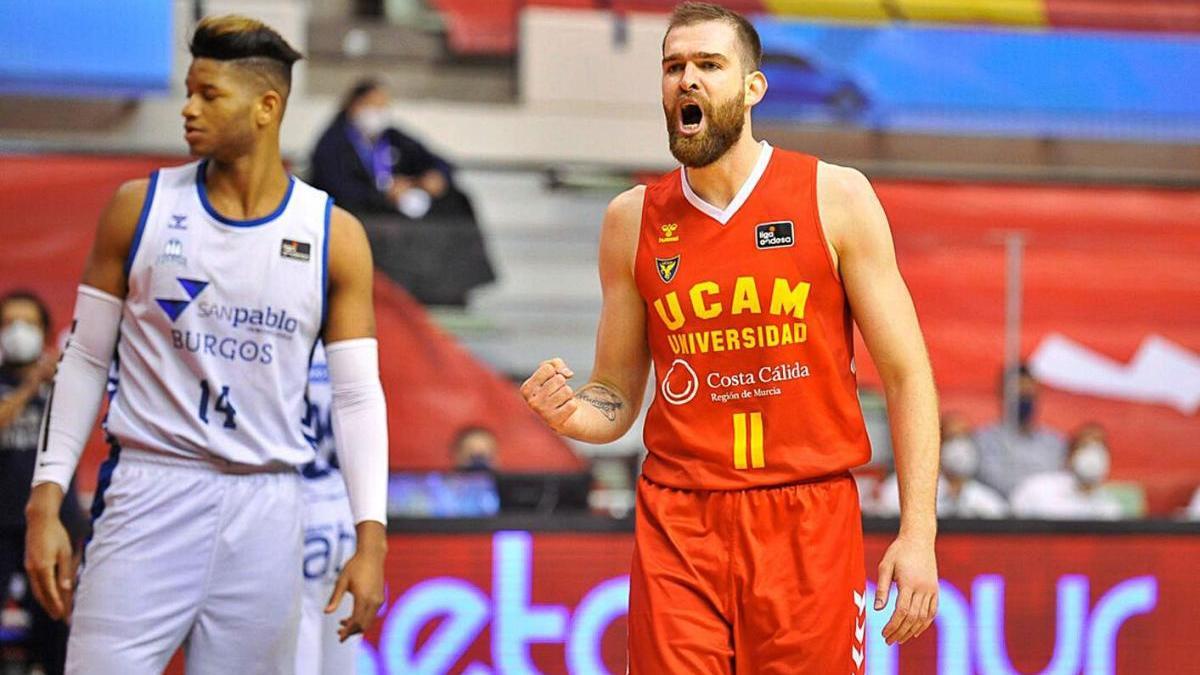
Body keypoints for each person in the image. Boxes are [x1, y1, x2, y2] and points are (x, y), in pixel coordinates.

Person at [521, 4, 939, 671]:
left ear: (753, 87)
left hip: (807, 511)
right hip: (680, 518)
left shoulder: (835, 196)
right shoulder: (631, 220)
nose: (687, 80)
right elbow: (615, 393)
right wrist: (575, 411)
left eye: (709, 65)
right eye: (673, 67)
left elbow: (909, 374)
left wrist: (919, 531)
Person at [23, 16, 389, 674]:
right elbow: (83, 359)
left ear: (266, 106)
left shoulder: (336, 234)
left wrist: (373, 535)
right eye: (188, 90)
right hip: (149, 489)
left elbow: (359, 396)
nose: (187, 109)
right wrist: (46, 494)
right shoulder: (139, 208)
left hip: (272, 502)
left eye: (208, 93)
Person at [309, 79, 496, 306]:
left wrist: (431, 178)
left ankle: (452, 291)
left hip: (399, 205)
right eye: (372, 105)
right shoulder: (333, 142)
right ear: (354, 105)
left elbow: (439, 162)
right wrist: (382, 194)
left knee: (456, 201)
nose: (377, 113)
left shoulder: (393, 137)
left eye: (382, 107)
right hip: (362, 210)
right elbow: (336, 186)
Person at [0, 291, 85, 675]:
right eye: (9, 323)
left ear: (46, 332)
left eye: (29, 324)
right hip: (2, 522)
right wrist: (30, 387)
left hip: (54, 525)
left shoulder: (67, 381)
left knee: (54, 627)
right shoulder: (19, 384)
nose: (19, 332)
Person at [297, 343, 359, 675]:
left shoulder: (276, 336)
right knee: (339, 658)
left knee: (295, 657)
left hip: (291, 503)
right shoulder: (348, 345)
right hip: (343, 509)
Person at [874, 412, 1008, 518]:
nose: (960, 446)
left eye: (965, 437)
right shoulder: (902, 492)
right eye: (952, 438)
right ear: (938, 443)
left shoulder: (986, 501)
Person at [974, 363, 1068, 496]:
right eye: (1020, 395)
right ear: (1003, 395)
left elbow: (1058, 482)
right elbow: (990, 480)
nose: (1025, 401)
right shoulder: (983, 441)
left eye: (1029, 395)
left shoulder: (1055, 443)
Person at [1010, 423, 1124, 520]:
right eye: (1084, 446)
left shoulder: (1110, 509)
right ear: (1070, 456)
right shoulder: (1035, 490)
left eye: (1099, 447)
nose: (1092, 454)